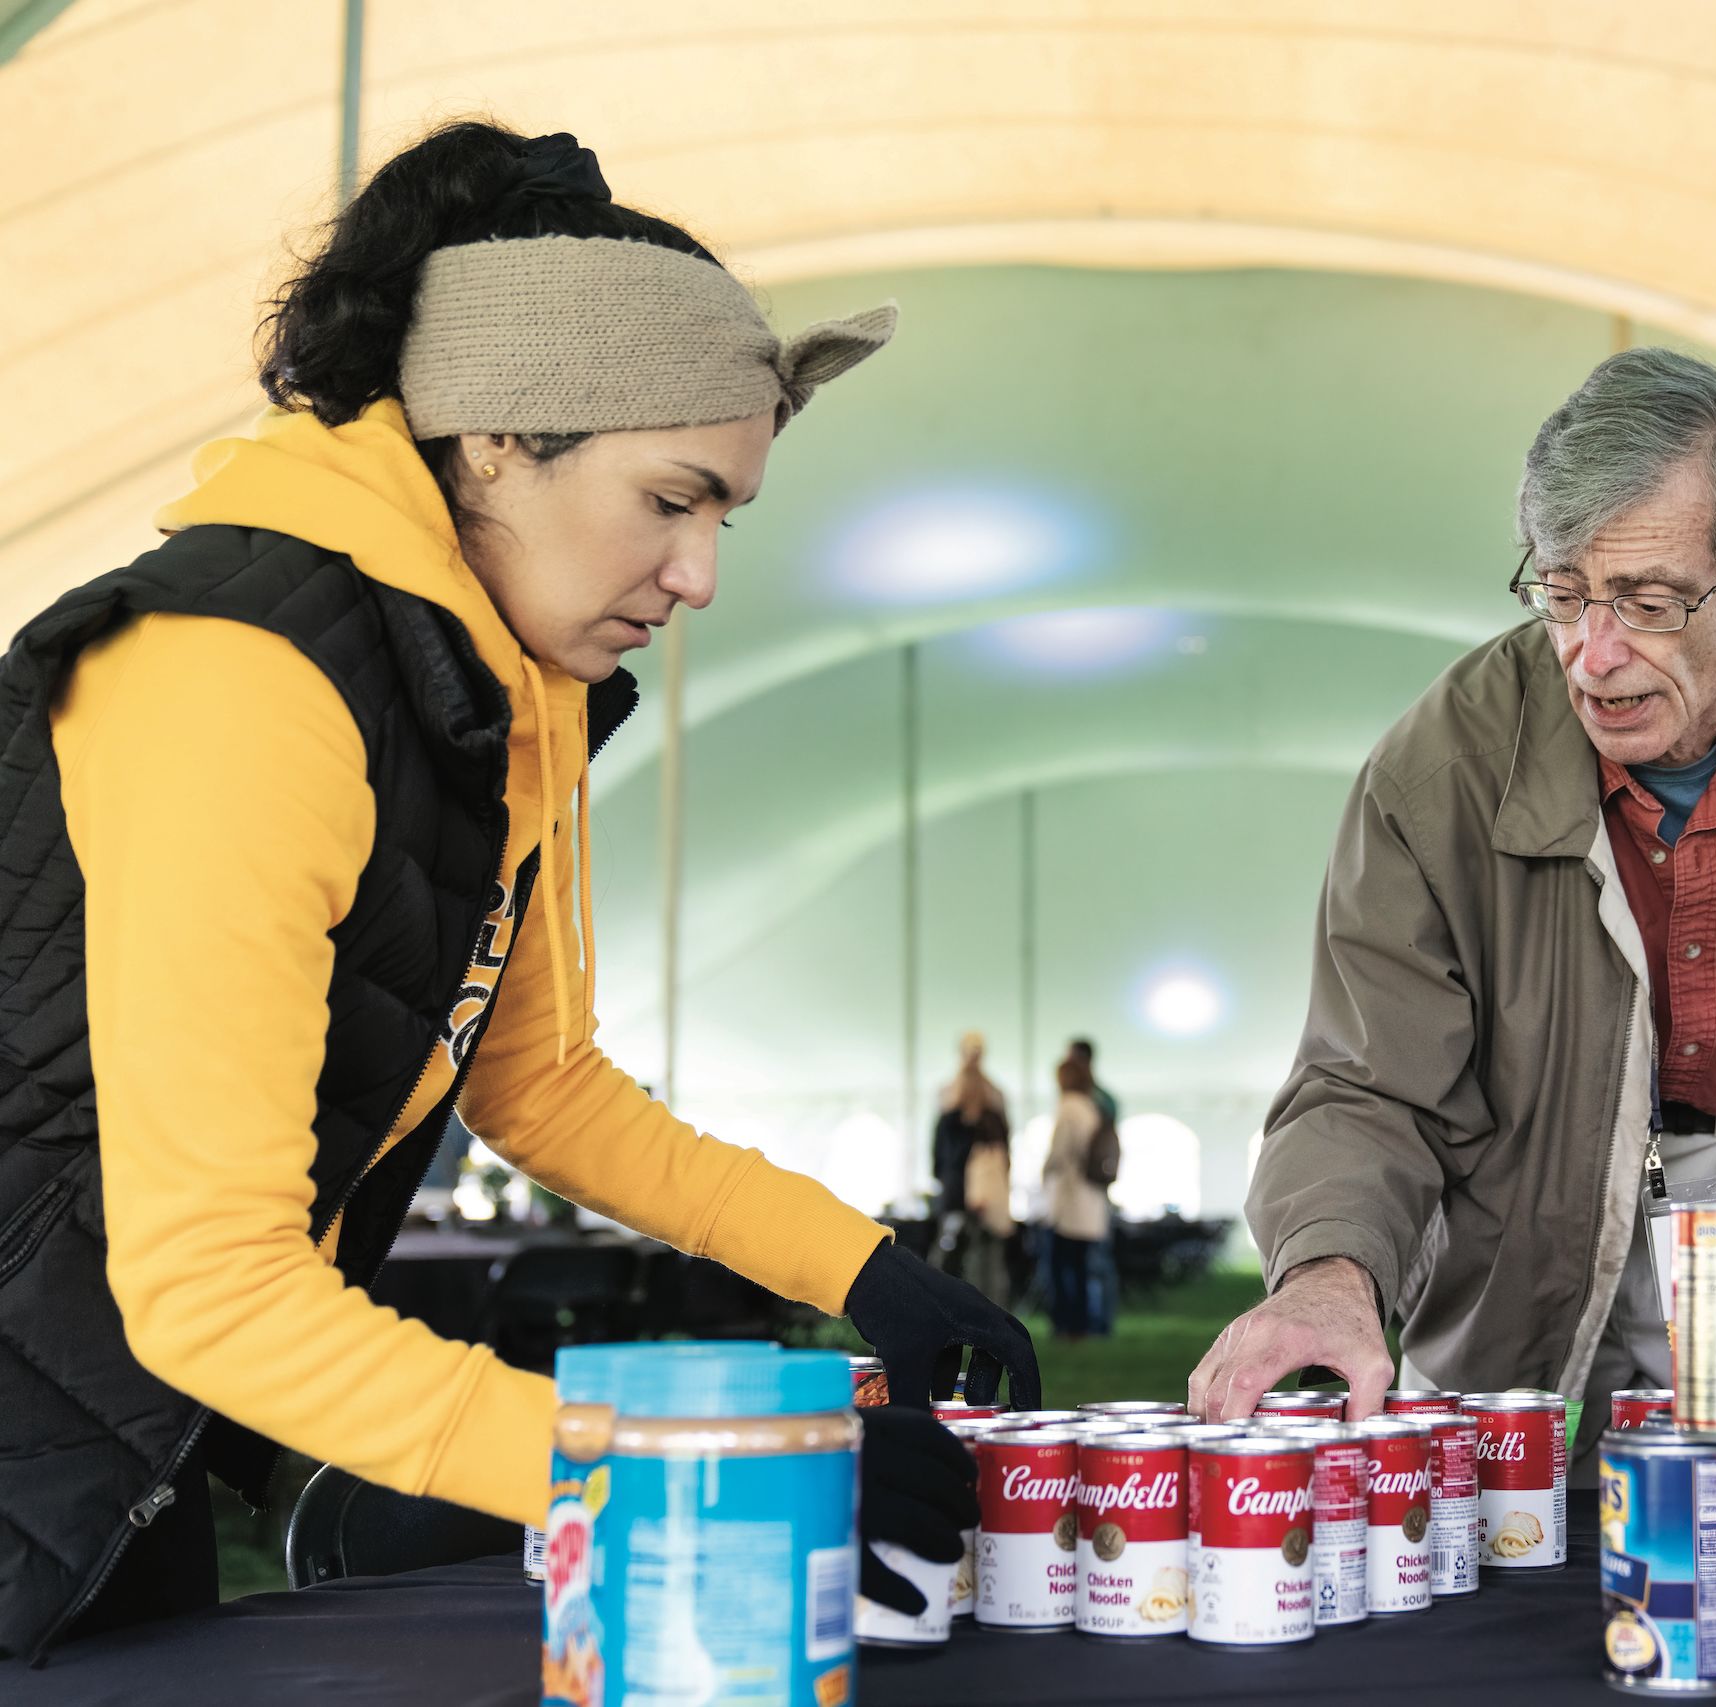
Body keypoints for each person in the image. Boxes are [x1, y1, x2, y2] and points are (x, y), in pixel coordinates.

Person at [0, 124, 1033, 1660]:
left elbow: (537, 1081)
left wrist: (865, 1268)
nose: (701, 575)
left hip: (101, 1435)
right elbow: (213, 1284)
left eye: (725, 517)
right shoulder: (242, 677)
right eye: (672, 498)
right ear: (496, 435)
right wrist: (671, 1458)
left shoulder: (502, 688)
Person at [1189, 348, 1716, 1454]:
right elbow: (1366, 1082)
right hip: (1536, 1272)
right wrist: (1328, 1274)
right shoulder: (1442, 765)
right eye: (1563, 593)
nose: (1595, 655)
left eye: (1650, 602)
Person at [931, 1033, 1014, 1305]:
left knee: (986, 1256)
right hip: (957, 1192)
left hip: (983, 1191)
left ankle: (985, 1312)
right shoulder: (948, 1098)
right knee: (950, 1253)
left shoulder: (994, 1099)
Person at [1040, 1051, 1115, 1342]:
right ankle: (1085, 1325)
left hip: (1069, 1203)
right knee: (1084, 1271)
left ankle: (1066, 1326)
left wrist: (1043, 1173)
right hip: (1090, 1203)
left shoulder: (1068, 1107)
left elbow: (1058, 1154)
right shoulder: (1092, 1107)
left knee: (1061, 1269)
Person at [1065, 1034, 1120, 1333]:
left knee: (1094, 1262)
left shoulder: (1090, 1100)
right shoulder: (1103, 1099)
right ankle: (1097, 1322)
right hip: (1095, 1189)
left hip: (1087, 1191)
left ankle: (1098, 1323)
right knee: (1095, 1261)